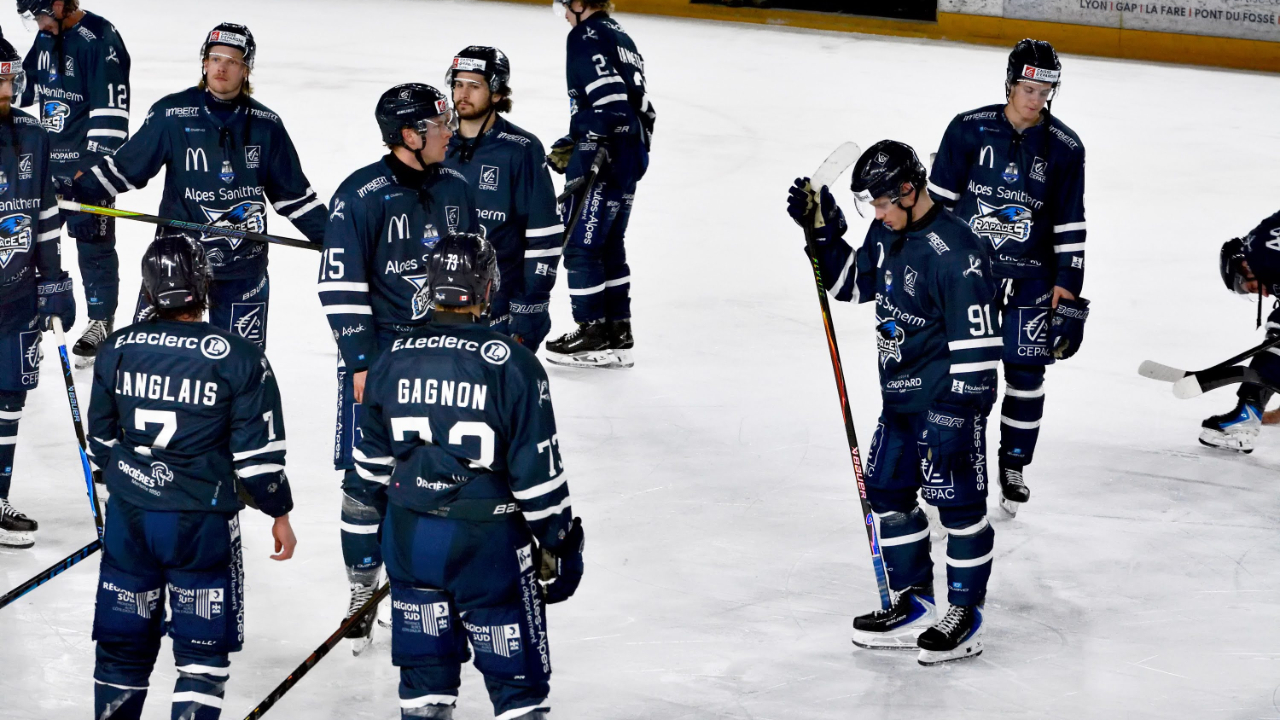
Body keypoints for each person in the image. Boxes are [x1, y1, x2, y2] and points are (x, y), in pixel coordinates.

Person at [351, 232, 583, 719]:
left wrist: (397, 529)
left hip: (411, 540)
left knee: (424, 693)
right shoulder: (514, 364)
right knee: (519, 694)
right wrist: (560, 542)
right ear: (488, 287)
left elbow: (369, 470)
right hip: (488, 545)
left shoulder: (390, 359)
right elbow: (537, 479)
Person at [786, 141, 1000, 665]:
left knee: (959, 505)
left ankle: (965, 615)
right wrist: (823, 235)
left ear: (909, 190)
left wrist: (955, 417)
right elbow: (851, 284)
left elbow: (979, 350)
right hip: (900, 401)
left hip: (948, 402)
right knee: (887, 495)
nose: (877, 215)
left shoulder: (960, 254)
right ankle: (916, 602)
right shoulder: (887, 230)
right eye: (872, 207)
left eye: (881, 203)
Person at [86, 233, 295, 720]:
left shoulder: (117, 348)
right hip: (201, 525)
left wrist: (128, 481)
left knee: (122, 648)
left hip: (130, 522)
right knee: (201, 658)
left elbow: (100, 441)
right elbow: (257, 461)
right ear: (203, 284)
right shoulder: (239, 356)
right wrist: (279, 511)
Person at [318, 82, 478, 653]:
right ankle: (364, 590)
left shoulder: (457, 187)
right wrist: (361, 361)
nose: (449, 129)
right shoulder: (361, 194)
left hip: (447, 360)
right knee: (367, 481)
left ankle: (430, 589)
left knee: (446, 474)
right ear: (409, 136)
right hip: (382, 361)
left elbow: (477, 275)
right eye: (438, 123)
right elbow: (339, 285)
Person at [70, 22, 326, 349]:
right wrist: (77, 188)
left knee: (238, 367)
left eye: (232, 61)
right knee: (152, 360)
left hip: (242, 265)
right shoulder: (172, 114)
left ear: (246, 69)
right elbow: (127, 168)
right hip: (175, 263)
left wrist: (336, 237)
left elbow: (296, 198)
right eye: (215, 57)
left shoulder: (267, 125)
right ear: (204, 63)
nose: (222, 66)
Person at [927, 39, 1090, 515]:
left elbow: (1070, 220)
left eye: (1044, 90)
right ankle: (956, 464)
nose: (1035, 98)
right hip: (973, 275)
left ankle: (1014, 463)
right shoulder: (967, 129)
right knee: (964, 375)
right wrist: (929, 266)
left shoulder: (1065, 147)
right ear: (1010, 82)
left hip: (1035, 278)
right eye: (1027, 87)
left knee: (1026, 373)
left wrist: (1069, 282)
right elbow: (936, 205)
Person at [17, 0, 129, 366]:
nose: (38, 23)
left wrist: (91, 170)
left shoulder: (101, 39)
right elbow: (27, 91)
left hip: (85, 169)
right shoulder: (48, 37)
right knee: (32, 246)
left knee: (94, 245)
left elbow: (112, 115)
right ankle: (28, 323)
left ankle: (100, 321)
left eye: (40, 14)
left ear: (60, 3)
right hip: (47, 167)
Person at [545, 0, 655, 368]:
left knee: (581, 245)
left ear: (580, 3)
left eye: (564, 3)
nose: (562, 12)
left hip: (604, 152)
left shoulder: (584, 35)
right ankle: (617, 331)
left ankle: (592, 333)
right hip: (628, 151)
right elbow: (641, 110)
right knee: (609, 243)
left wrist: (587, 144)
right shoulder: (621, 35)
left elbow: (610, 107)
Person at [0, 29, 75, 548]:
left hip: (19, 294)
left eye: (10, 83)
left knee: (9, 396)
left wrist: (55, 280)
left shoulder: (32, 133)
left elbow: (45, 214)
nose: (6, 95)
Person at [442, 45, 563, 353]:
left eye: (474, 85)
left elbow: (543, 235)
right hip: (439, 303)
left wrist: (531, 301)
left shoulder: (520, 149)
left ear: (497, 93)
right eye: (458, 84)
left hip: (498, 305)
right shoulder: (434, 143)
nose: (463, 94)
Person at [1202, 213, 1280, 451]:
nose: (1263, 294)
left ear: (1242, 265)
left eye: (1250, 286)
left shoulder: (1261, 249)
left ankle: (1245, 417)